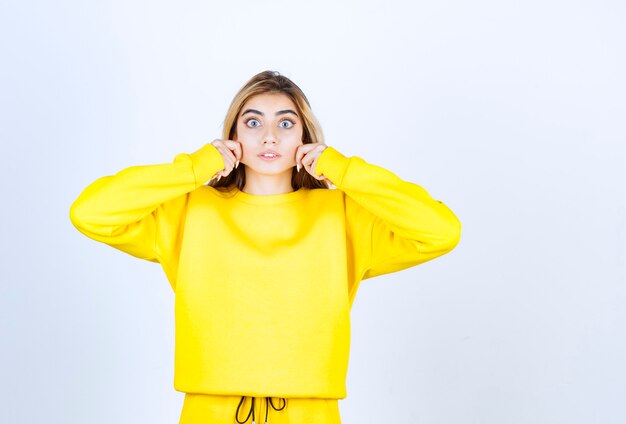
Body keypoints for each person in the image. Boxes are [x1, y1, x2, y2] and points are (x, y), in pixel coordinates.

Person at [69, 70, 462, 423]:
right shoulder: (192, 210)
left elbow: (440, 231)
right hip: (209, 409)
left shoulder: (340, 215)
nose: (269, 136)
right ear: (234, 136)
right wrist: (192, 169)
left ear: (305, 138)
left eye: (286, 123)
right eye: (253, 122)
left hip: (311, 411)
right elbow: (91, 212)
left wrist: (344, 171)